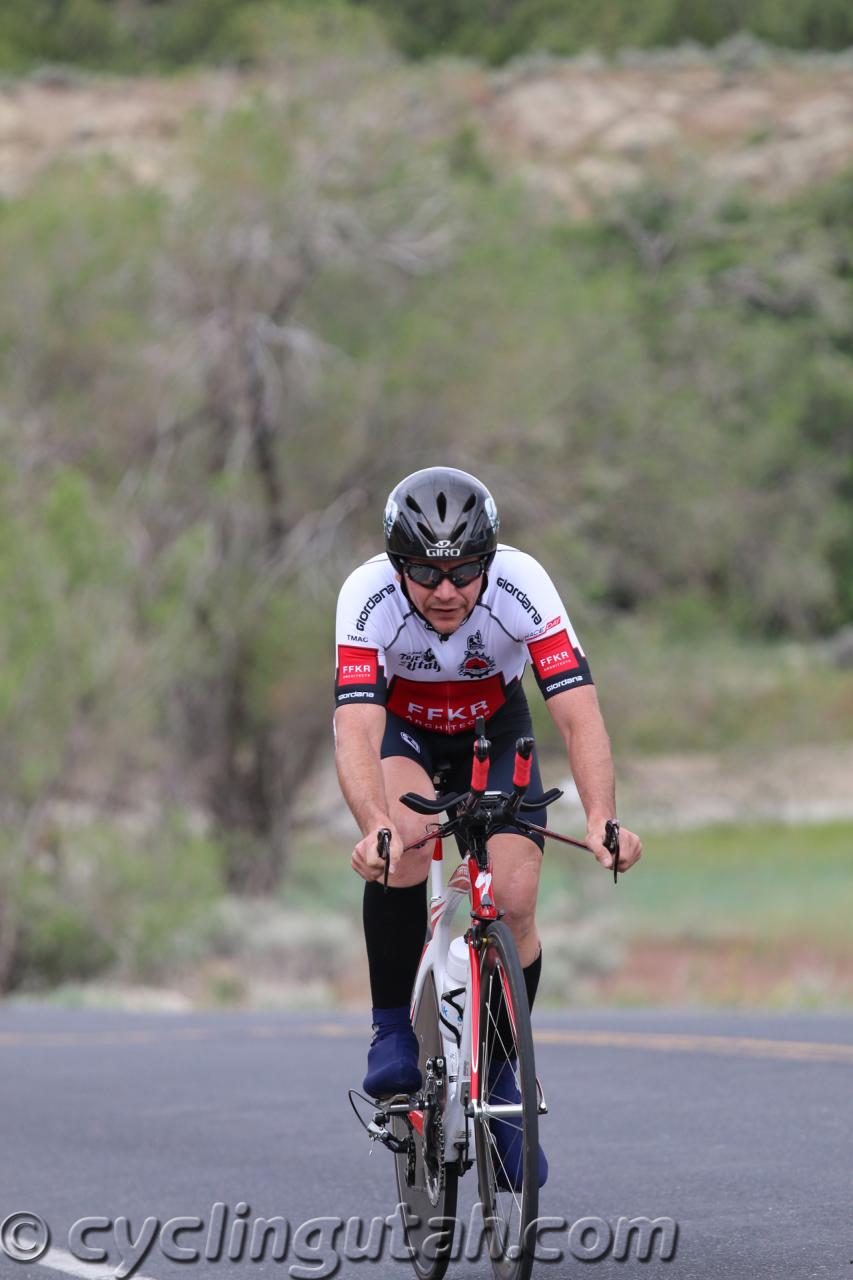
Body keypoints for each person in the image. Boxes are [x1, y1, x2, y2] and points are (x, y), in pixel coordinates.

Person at [333, 466, 642, 1189]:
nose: (447, 591)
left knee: (511, 901)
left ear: (488, 561)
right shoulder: (365, 595)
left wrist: (600, 816)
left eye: (464, 571)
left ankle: (501, 1080)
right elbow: (354, 724)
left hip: (492, 732)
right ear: (396, 566)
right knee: (403, 852)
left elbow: (577, 711)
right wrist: (374, 823)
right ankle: (389, 1033)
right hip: (402, 735)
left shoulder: (522, 583)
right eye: (426, 574)